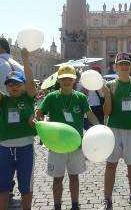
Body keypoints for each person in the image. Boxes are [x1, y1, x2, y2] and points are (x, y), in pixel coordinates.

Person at [36, 64, 100, 210]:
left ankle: (75, 205)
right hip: (56, 145)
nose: (66, 81)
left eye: (69, 79)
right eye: (63, 78)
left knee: (74, 177)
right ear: (59, 80)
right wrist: (39, 125)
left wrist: (99, 127)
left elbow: (90, 115)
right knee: (57, 179)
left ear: (74, 80)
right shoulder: (51, 97)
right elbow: (39, 114)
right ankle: (57, 205)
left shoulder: (81, 97)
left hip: (76, 144)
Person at [102, 52, 131, 210]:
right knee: (110, 165)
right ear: (116, 66)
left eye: (126, 64)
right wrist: (107, 96)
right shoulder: (110, 85)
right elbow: (107, 112)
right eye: (121, 64)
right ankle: (107, 199)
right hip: (114, 129)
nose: (124, 66)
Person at [0, 48, 36, 210]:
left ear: (23, 86)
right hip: (4, 149)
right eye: (10, 84)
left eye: (17, 83)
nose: (14, 86)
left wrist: (25, 60)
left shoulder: (28, 98)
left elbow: (30, 80)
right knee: (3, 188)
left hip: (25, 148)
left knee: (26, 188)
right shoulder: (3, 100)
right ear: (6, 87)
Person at [77, 64, 105, 129]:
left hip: (98, 107)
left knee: (98, 126)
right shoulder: (83, 82)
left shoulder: (102, 82)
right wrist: (84, 90)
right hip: (87, 107)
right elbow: (79, 93)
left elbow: (103, 95)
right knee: (88, 127)